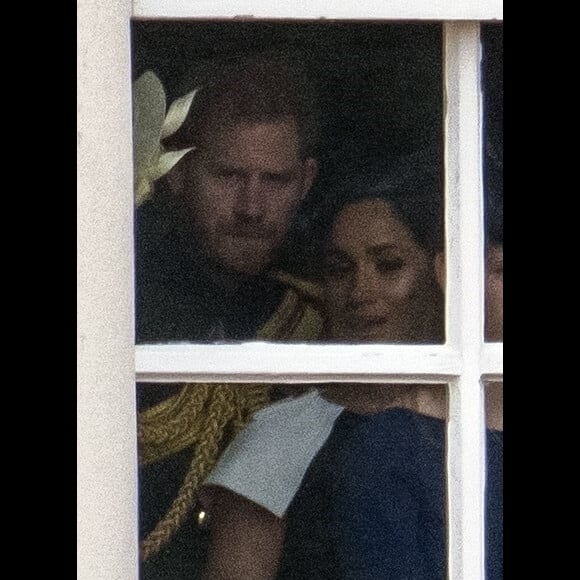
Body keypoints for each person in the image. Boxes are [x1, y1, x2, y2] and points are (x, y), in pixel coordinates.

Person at [200, 159, 503, 579]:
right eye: (341, 270)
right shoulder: (285, 433)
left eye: (389, 265)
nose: (362, 291)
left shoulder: (485, 406)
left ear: (442, 273)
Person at [134, 51, 324, 577]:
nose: (251, 206)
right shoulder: (117, 311)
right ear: (176, 172)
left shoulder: (312, 320)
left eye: (275, 180)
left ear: (306, 181)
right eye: (228, 176)